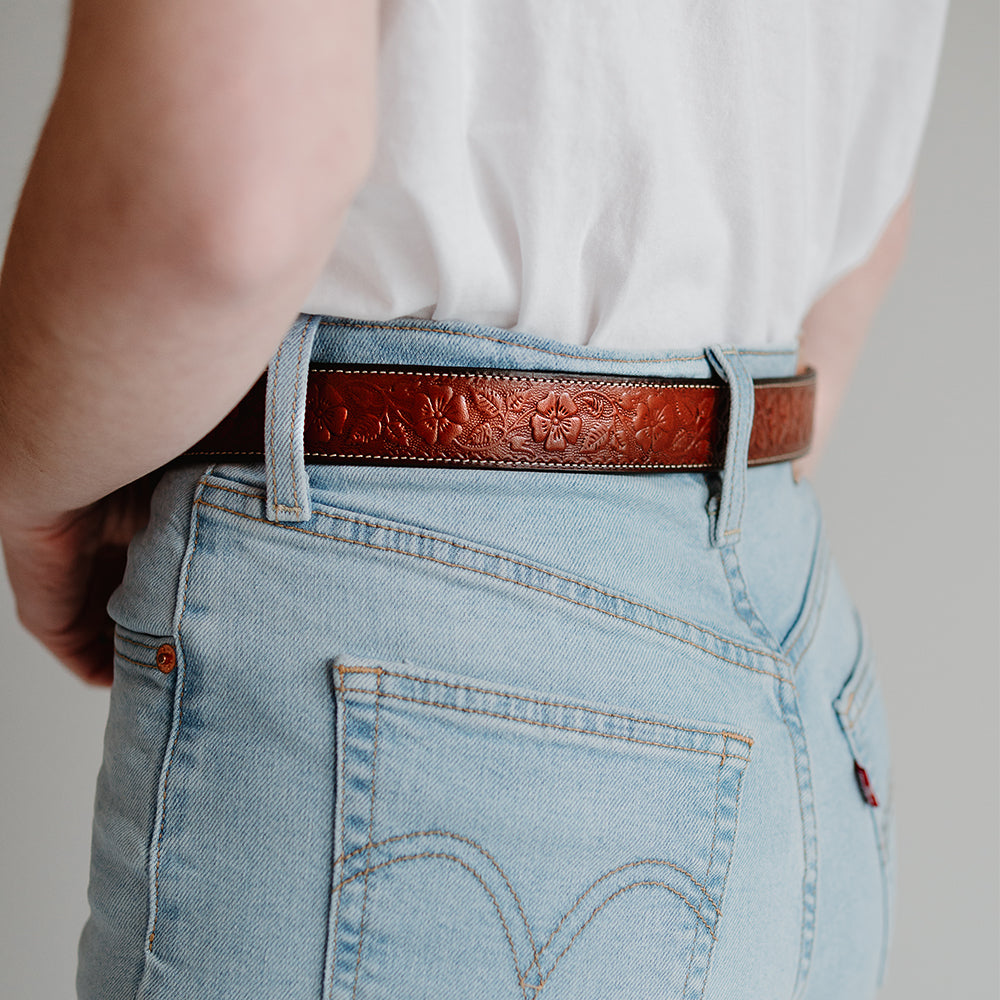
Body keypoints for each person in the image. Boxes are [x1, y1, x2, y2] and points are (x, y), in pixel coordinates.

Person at [0, 2, 947, 998]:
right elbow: (864, 235)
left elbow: (227, 184)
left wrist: (30, 485)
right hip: (798, 656)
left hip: (415, 649)